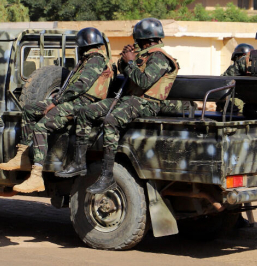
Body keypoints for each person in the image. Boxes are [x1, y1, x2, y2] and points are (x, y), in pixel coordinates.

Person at [0, 27, 112, 193]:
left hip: (82, 103)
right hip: (73, 99)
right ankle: (22, 156)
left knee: (41, 127)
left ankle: (36, 176)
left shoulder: (96, 59)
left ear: (83, 45)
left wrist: (57, 101)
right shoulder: (88, 59)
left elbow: (82, 85)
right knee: (30, 109)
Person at [75, 18, 179, 194]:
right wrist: (125, 60)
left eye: (136, 40)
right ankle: (78, 163)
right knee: (86, 112)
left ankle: (107, 176)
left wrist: (130, 62)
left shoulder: (160, 57)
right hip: (129, 99)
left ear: (142, 39)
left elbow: (144, 82)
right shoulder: (144, 56)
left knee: (110, 121)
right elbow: (123, 72)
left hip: (148, 103)